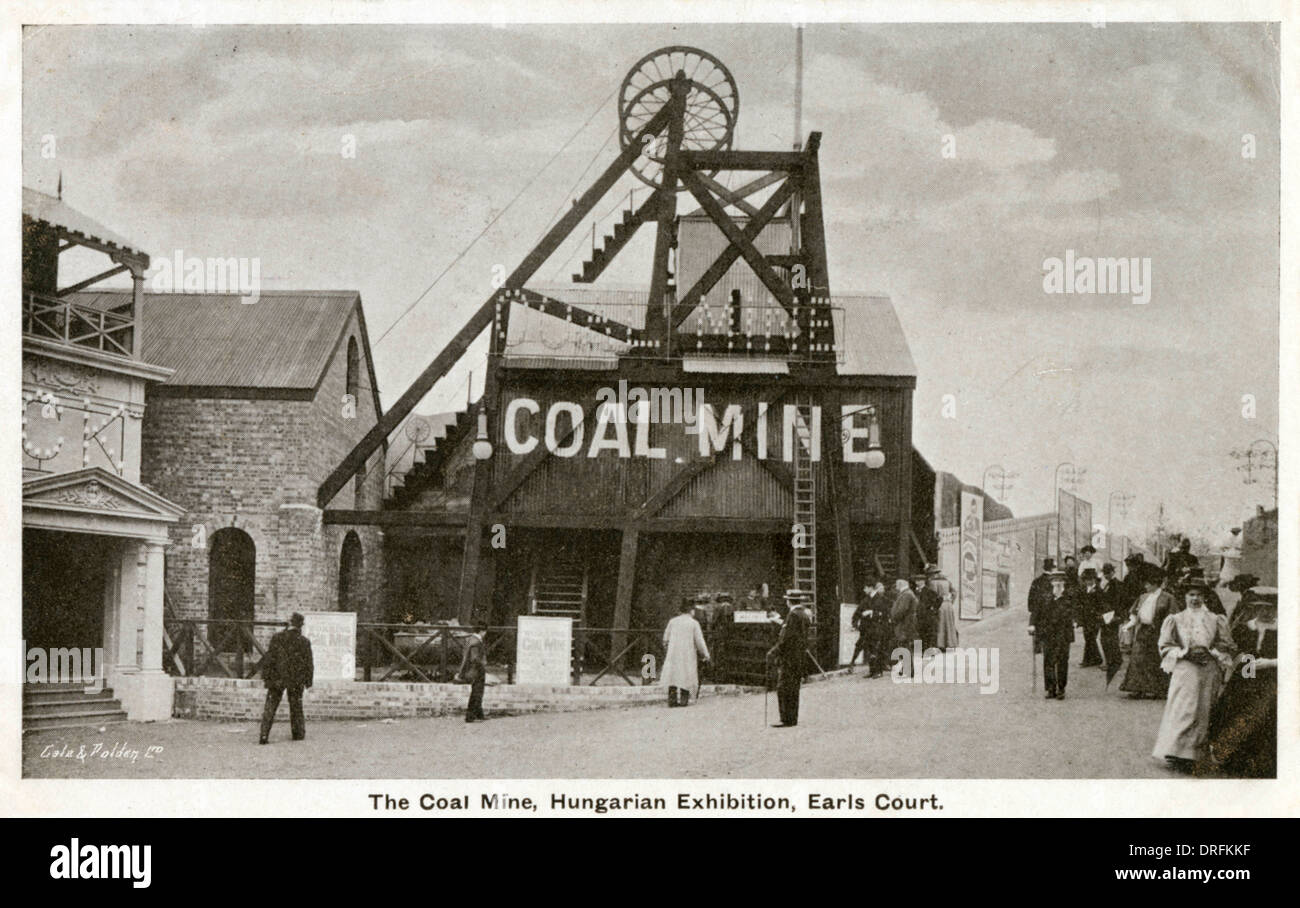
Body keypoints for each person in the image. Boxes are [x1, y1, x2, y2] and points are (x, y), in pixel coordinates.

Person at [1151, 578, 1234, 773]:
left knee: (1204, 710)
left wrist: (1211, 652)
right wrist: (1184, 653)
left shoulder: (1215, 619)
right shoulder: (1176, 619)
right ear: (1185, 596)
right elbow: (1165, 645)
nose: (1195, 598)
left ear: (1205, 597)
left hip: (1208, 669)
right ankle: (1176, 752)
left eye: (1199, 595)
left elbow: (1226, 643)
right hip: (1185, 669)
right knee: (1184, 708)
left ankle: (1195, 755)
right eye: (1191, 594)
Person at [1199, 590, 1276, 777]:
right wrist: (1229, 658)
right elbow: (1232, 649)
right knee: (1235, 711)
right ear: (1255, 609)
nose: (1266, 613)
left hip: (1270, 678)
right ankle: (1233, 759)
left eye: (1271, 609)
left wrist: (1270, 662)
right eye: (1261, 608)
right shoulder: (1244, 628)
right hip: (1244, 677)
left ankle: (1259, 764)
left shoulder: (1284, 630)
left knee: (1265, 716)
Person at [1119, 566, 1175, 699]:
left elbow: (1173, 616)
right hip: (1142, 630)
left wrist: (1168, 633)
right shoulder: (1143, 597)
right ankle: (1137, 688)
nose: (1145, 586)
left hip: (1158, 632)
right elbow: (1134, 612)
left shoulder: (1167, 597)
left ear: (1155, 584)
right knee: (1138, 658)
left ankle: (1158, 689)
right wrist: (1130, 624)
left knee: (1155, 660)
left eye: (1148, 583)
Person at [259, 612, 314, 744]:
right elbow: (308, 663)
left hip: (277, 677)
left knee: (270, 706)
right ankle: (298, 734)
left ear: (289, 623)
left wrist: (267, 678)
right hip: (296, 679)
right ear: (300, 626)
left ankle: (264, 735)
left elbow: (269, 659)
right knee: (296, 706)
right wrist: (308, 681)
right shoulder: (304, 642)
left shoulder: (277, 638)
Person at [767, 589, 811, 726]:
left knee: (784, 687)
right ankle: (792, 718)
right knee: (794, 688)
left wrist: (773, 651)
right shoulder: (803, 614)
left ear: (788, 601)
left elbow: (786, 638)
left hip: (789, 657)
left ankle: (786, 718)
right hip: (799, 656)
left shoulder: (792, 615)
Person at [1029, 570, 1074, 700]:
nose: (1058, 583)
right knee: (1048, 660)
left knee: (1062, 661)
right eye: (1055, 581)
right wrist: (1032, 624)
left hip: (1063, 634)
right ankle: (1050, 688)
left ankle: (1061, 688)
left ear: (1064, 583)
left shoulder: (1069, 596)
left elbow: (1076, 610)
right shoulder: (1045, 596)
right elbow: (1035, 612)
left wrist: (1075, 620)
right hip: (1048, 633)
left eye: (1060, 581)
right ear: (1051, 582)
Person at [662, 597, 710, 707]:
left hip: (674, 653)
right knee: (686, 674)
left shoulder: (672, 621)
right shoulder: (693, 623)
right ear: (691, 610)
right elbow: (699, 641)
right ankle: (684, 700)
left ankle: (672, 700)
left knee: (673, 675)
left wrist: (667, 649)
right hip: (687, 653)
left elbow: (665, 638)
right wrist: (705, 654)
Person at [1097, 563, 1125, 683]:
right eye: (1105, 572)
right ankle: (1114, 660)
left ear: (1112, 572)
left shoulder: (1116, 585)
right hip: (1107, 615)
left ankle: (1112, 662)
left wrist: (1116, 616)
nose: (1106, 575)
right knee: (1108, 638)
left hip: (1112, 616)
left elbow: (1118, 602)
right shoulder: (1108, 584)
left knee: (1108, 639)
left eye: (1108, 572)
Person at [456, 624, 488, 722]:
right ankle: (470, 716)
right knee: (477, 692)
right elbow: (475, 658)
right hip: (476, 670)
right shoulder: (476, 642)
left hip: (470, 669)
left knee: (477, 691)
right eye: (485, 631)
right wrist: (483, 663)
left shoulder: (470, 639)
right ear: (482, 631)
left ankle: (479, 714)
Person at [890, 576, 920, 676]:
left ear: (901, 585)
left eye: (897, 584)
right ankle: (907, 668)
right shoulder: (907, 593)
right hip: (907, 623)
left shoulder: (906, 594)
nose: (896, 586)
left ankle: (908, 670)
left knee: (904, 645)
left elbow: (902, 610)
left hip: (904, 624)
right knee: (904, 645)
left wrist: (894, 618)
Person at [848, 579, 880, 673]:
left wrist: (872, 612)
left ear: (871, 588)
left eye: (865, 588)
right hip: (865, 628)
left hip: (875, 628)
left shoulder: (880, 598)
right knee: (861, 646)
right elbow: (857, 612)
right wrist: (854, 622)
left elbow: (884, 612)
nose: (864, 589)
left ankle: (876, 671)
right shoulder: (866, 599)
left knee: (873, 648)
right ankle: (853, 664)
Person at [1076, 568, 1104, 667]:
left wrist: (1098, 616)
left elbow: (1101, 606)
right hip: (1085, 618)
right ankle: (1096, 659)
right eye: (1087, 579)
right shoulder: (1083, 590)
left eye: (1091, 579)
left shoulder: (1099, 591)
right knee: (1088, 638)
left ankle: (1088, 660)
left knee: (1090, 638)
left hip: (1094, 619)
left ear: (1094, 579)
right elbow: (1079, 603)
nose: (1089, 581)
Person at [915, 571, 941, 653]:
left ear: (922, 581)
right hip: (919, 616)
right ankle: (922, 651)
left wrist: (933, 608)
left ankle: (926, 651)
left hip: (926, 617)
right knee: (920, 634)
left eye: (918, 580)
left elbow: (939, 599)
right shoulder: (916, 591)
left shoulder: (928, 591)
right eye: (916, 580)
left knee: (926, 635)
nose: (916, 582)